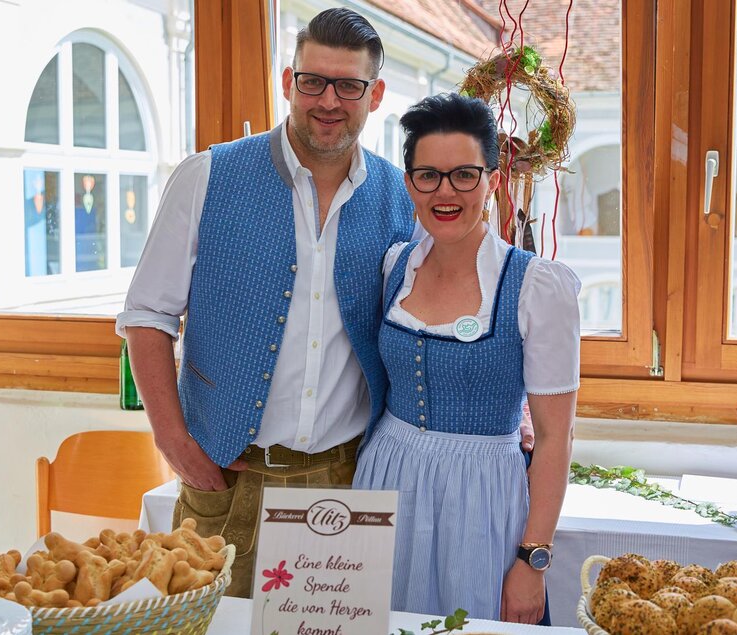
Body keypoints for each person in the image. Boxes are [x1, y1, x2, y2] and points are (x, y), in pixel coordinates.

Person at [115, 8, 414, 597]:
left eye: (348, 85)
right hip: (228, 481)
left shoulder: (400, 198)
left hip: (346, 483)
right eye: (313, 81)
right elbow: (147, 319)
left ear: (374, 94)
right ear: (288, 82)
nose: (328, 100)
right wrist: (174, 442)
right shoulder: (206, 176)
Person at [353, 93, 581, 624]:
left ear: (493, 180)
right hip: (386, 480)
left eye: (464, 175)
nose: (446, 192)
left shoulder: (536, 286)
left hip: (482, 496)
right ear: (409, 184)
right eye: (428, 175)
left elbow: (554, 437)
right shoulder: (393, 267)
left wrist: (533, 561)